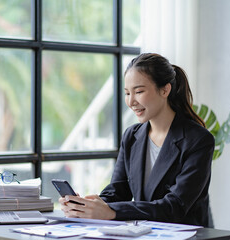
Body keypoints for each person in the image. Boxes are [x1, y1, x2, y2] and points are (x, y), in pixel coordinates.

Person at [59, 53, 215, 227]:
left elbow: (175, 207)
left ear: (165, 90)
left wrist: (112, 211)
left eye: (139, 91)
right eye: (127, 93)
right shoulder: (132, 136)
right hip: (145, 234)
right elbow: (117, 191)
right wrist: (89, 207)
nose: (131, 101)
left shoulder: (198, 140)